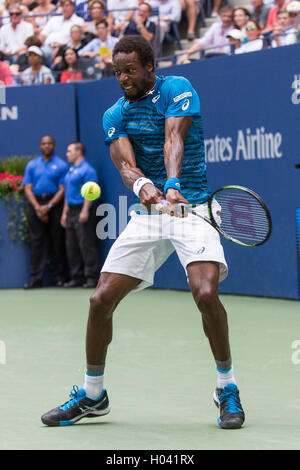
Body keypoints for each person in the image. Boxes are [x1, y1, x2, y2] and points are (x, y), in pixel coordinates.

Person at [41, 35, 245, 430]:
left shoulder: (177, 89)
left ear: (150, 66)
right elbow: (125, 164)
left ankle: (227, 387)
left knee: (205, 294)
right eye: (117, 72)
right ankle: (93, 395)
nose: (122, 78)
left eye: (130, 70)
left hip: (194, 206)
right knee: (100, 300)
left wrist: (170, 183)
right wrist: (143, 188)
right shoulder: (114, 114)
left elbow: (174, 138)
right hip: (149, 214)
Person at [23, 136, 68, 289]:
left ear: (54, 145)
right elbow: (27, 188)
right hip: (36, 204)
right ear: (40, 146)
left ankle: (60, 279)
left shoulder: (61, 165)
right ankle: (35, 280)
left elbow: (63, 189)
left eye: (49, 143)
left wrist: (48, 207)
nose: (47, 146)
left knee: (57, 242)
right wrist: (38, 207)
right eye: (44, 144)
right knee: (37, 244)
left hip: (55, 205)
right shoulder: (32, 165)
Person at [61, 142, 100, 288]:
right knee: (71, 245)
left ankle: (92, 277)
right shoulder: (70, 170)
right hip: (70, 211)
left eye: (69, 151)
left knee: (86, 244)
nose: (67, 154)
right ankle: (76, 277)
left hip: (82, 210)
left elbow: (91, 192)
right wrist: (64, 213)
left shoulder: (88, 170)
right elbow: (67, 193)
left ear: (78, 152)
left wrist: (85, 210)